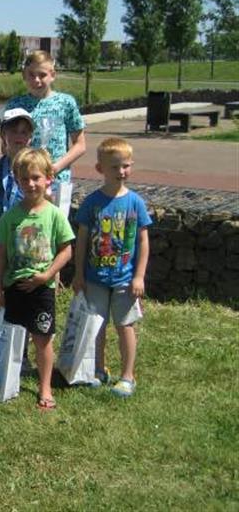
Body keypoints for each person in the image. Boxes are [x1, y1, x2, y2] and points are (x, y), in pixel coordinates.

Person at [0, 148, 75, 410]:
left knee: (42, 338)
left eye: (36, 177)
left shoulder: (54, 214)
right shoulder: (11, 216)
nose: (30, 184)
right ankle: (9, 378)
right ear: (17, 180)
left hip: (42, 288)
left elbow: (66, 250)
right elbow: (0, 253)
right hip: (14, 286)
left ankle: (45, 386)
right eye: (24, 179)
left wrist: (47, 275)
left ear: (49, 178)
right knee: (14, 337)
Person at [72, 138, 151, 398]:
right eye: (115, 167)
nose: (121, 171)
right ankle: (98, 368)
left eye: (126, 166)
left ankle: (128, 375)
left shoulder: (136, 203)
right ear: (100, 169)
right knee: (96, 326)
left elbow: (143, 241)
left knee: (125, 326)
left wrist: (139, 276)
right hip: (95, 278)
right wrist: (79, 274)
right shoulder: (92, 202)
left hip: (124, 279)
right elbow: (82, 241)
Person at [5, 50, 86, 214]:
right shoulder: (15, 104)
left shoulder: (66, 102)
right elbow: (6, 144)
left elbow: (80, 144)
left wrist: (55, 168)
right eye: (31, 75)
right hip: (25, 180)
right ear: (24, 75)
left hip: (58, 179)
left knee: (56, 225)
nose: (36, 80)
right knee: (25, 225)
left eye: (42, 75)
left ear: (52, 75)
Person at [0, 107, 34, 264]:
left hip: (28, 237)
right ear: (3, 135)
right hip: (0, 238)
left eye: (24, 132)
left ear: (30, 137)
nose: (19, 136)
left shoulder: (37, 168)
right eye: (14, 131)